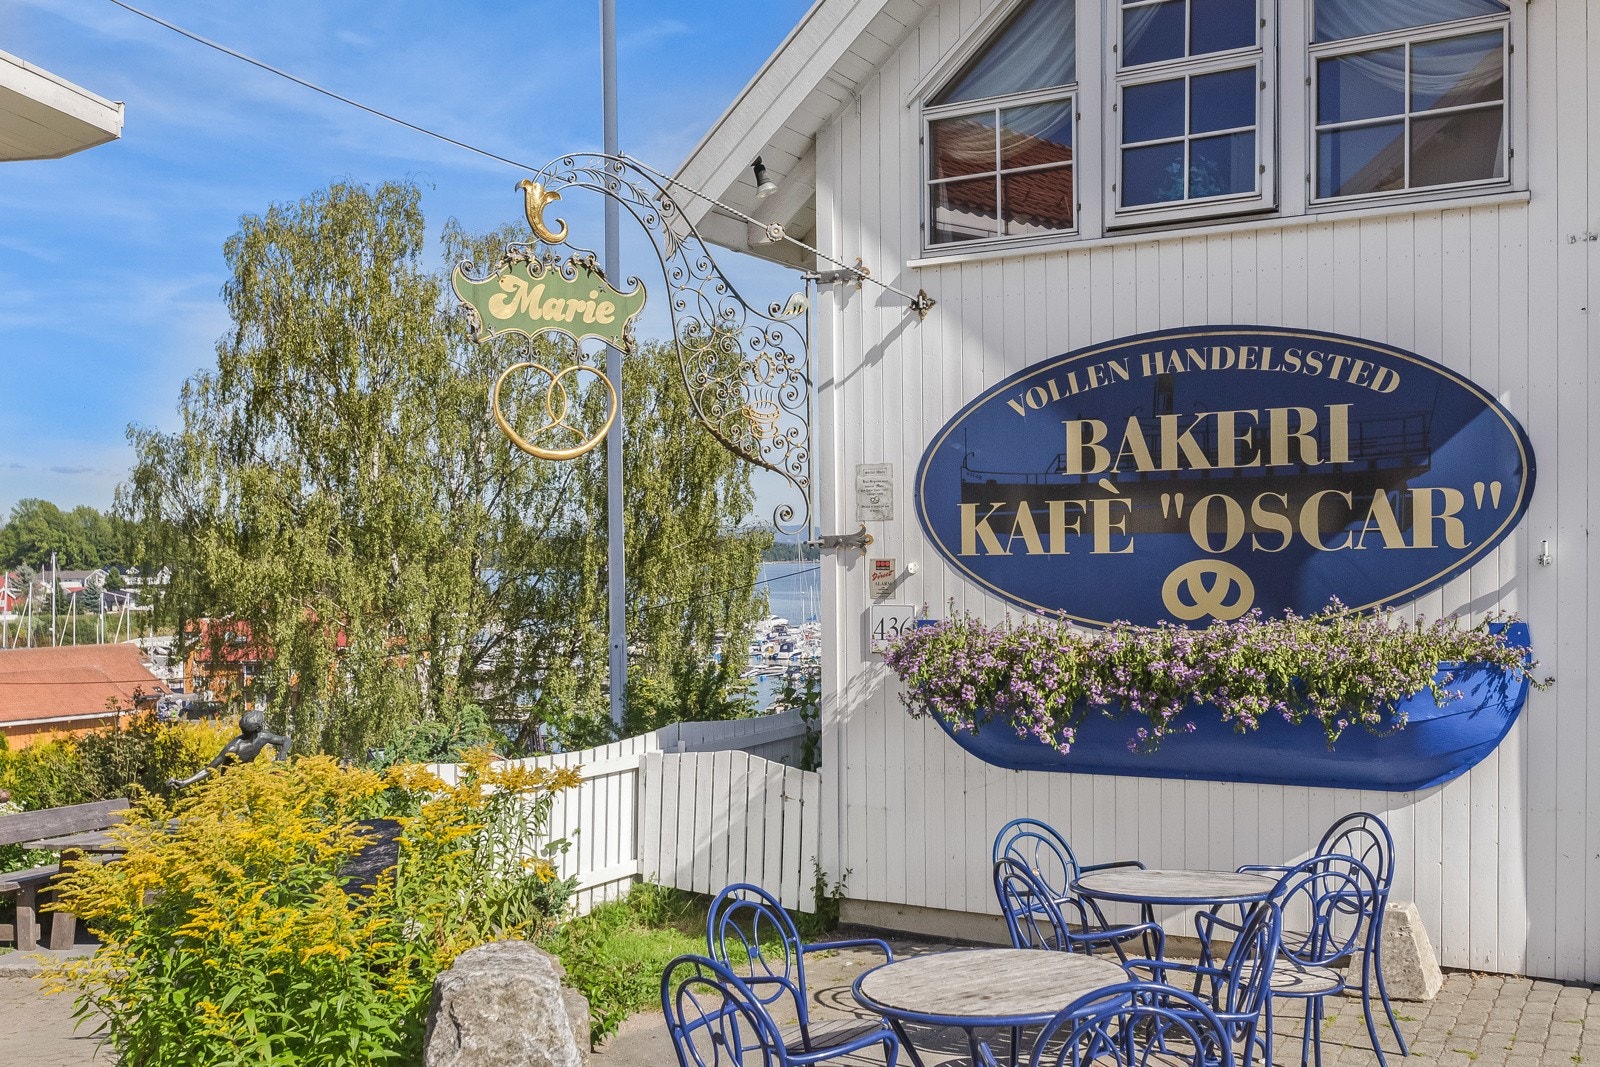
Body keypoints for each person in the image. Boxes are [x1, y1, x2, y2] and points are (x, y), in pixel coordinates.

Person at [168, 708, 291, 789]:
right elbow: (209, 769)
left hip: (248, 780)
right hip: (229, 785)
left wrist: (282, 755)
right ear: (258, 728)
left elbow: (286, 740)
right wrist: (184, 782)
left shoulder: (262, 737)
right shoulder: (234, 747)